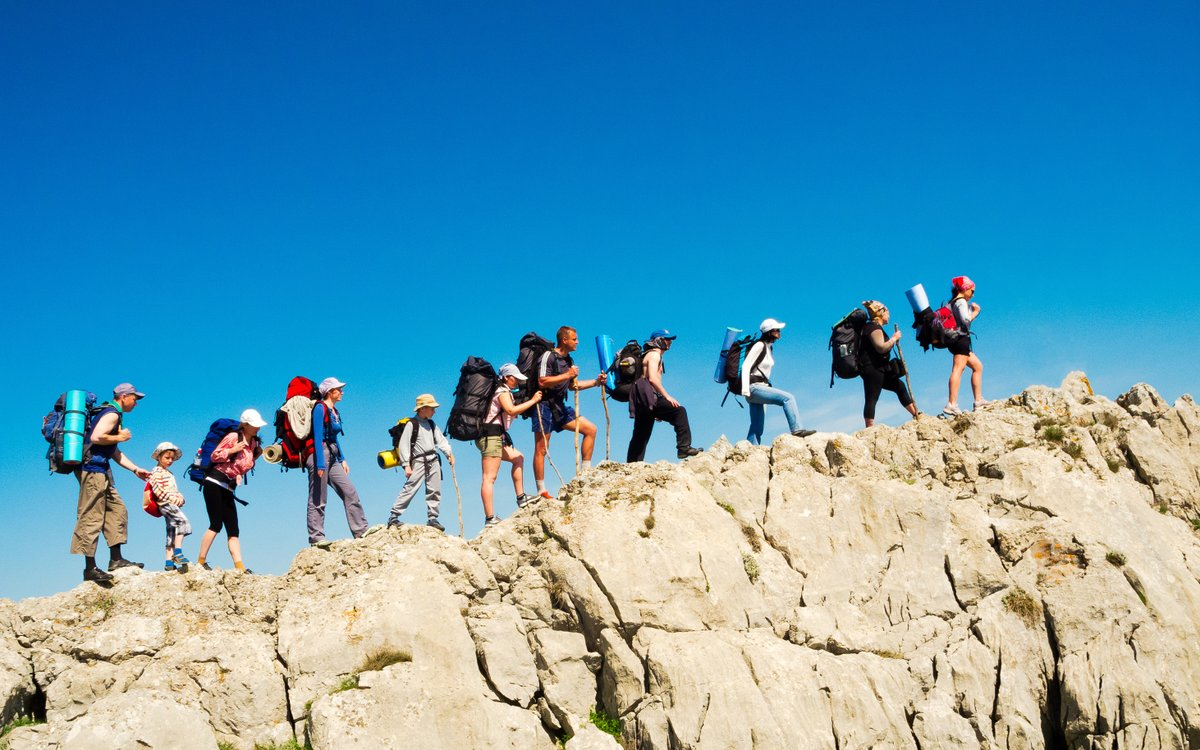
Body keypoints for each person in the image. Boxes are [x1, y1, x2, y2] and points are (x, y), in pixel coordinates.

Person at [71, 383, 151, 584]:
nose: (136, 403)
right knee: (92, 516)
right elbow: (97, 437)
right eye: (135, 398)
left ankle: (116, 559)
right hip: (92, 471)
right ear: (123, 396)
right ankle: (90, 568)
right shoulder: (112, 414)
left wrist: (135, 469)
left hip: (101, 471)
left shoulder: (113, 414)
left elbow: (113, 451)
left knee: (117, 510)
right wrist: (120, 437)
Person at [531, 326, 606, 499]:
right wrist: (567, 374)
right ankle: (542, 491)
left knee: (590, 430)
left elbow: (574, 386)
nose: (578, 342)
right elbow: (542, 381)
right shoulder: (548, 356)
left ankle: (586, 472)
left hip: (559, 406)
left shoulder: (569, 361)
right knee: (541, 448)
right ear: (564, 340)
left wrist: (596, 382)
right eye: (575, 339)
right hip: (543, 404)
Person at [196, 408, 265, 573]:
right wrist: (232, 450)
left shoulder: (254, 444)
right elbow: (215, 456)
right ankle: (200, 562)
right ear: (245, 425)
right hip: (213, 482)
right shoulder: (234, 437)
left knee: (233, 530)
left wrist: (255, 456)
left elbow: (243, 465)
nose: (258, 428)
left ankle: (240, 567)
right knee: (216, 524)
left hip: (228, 487)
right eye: (255, 425)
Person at [307, 377, 369, 547]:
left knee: (350, 492)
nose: (342, 392)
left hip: (332, 455)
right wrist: (320, 463)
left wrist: (342, 459)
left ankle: (361, 531)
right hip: (319, 455)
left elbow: (334, 438)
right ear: (329, 392)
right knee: (318, 498)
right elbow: (318, 436)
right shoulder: (320, 408)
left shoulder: (334, 411)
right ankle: (316, 538)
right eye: (338, 389)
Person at [478, 364, 543, 527]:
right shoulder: (502, 391)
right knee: (489, 477)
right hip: (490, 436)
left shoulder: (500, 390)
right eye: (515, 378)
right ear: (507, 377)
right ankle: (490, 519)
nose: (518, 382)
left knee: (518, 458)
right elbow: (511, 410)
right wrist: (534, 400)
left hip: (493, 436)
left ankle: (521, 498)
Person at [627, 329, 703, 462]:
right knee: (679, 411)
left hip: (643, 399)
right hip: (649, 396)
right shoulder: (654, 355)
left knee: (641, 434)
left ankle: (632, 464)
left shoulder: (649, 354)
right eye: (667, 339)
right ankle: (683, 448)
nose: (670, 342)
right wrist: (666, 397)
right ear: (659, 340)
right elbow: (652, 379)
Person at [740, 318, 816, 444]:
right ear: (769, 331)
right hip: (753, 388)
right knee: (788, 398)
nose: (779, 331)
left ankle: (751, 449)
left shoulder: (769, 348)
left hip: (761, 387)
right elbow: (746, 365)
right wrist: (745, 389)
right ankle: (797, 429)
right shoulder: (759, 345)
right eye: (776, 329)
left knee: (757, 426)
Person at [388, 394, 455, 531]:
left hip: (433, 460)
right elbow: (404, 445)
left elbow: (440, 440)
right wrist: (406, 465)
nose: (434, 411)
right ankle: (394, 516)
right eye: (432, 408)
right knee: (411, 487)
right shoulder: (411, 424)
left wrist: (449, 453)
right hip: (418, 461)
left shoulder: (431, 424)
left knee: (435, 489)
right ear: (423, 409)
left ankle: (433, 518)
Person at [860, 301, 919, 427]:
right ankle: (869, 428)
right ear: (880, 314)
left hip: (880, 369)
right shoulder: (874, 328)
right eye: (887, 312)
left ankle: (916, 414)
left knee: (899, 386)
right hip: (873, 369)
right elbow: (881, 347)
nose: (889, 315)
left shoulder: (871, 327)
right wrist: (894, 338)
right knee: (872, 397)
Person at [144, 442, 192, 573]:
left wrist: (180, 498)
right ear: (159, 457)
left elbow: (175, 490)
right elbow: (158, 489)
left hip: (169, 503)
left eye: (172, 458)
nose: (170, 460)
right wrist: (172, 499)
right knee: (182, 522)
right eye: (167, 457)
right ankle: (177, 552)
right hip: (165, 503)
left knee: (171, 530)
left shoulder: (169, 473)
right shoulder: (156, 472)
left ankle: (168, 562)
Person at [944, 276, 985, 415]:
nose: (973, 294)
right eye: (972, 291)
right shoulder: (960, 301)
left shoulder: (952, 302)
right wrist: (975, 312)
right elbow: (966, 320)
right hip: (960, 340)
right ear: (965, 288)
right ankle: (951, 404)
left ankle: (978, 401)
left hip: (958, 340)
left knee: (977, 366)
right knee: (958, 369)